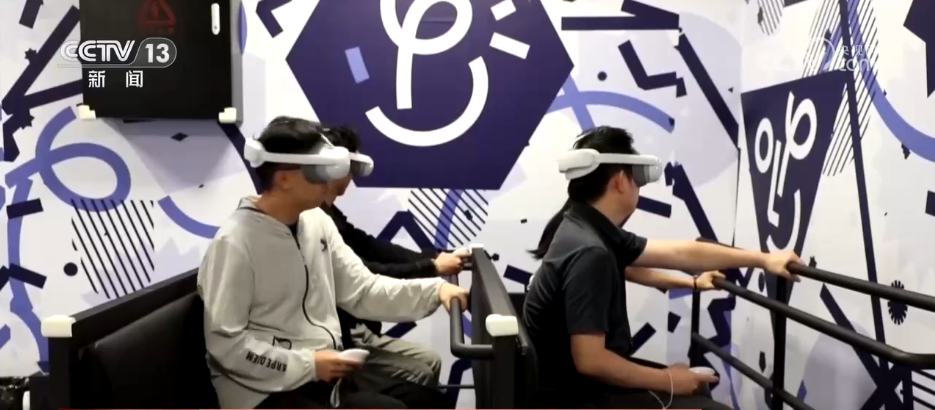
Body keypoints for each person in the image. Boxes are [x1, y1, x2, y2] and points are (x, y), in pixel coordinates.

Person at [523, 126, 803, 410]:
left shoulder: (584, 227)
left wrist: (762, 259)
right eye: (638, 177)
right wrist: (668, 380)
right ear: (620, 180)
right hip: (575, 395)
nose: (639, 187)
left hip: (573, 384)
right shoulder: (590, 251)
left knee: (697, 387)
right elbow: (591, 361)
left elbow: (681, 253)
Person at [198, 116, 469, 409]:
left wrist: (434, 290)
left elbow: (363, 291)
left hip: (322, 376)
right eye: (317, 171)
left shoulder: (317, 222)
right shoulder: (235, 243)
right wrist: (308, 364)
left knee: (431, 403)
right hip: (263, 393)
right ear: (283, 178)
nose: (327, 180)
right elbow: (227, 345)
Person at [317, 125, 467, 390]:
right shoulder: (313, 220)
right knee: (420, 373)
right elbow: (366, 275)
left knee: (429, 363)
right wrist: (432, 269)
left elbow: (371, 247)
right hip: (336, 338)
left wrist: (433, 259)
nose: (351, 175)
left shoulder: (328, 217)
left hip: (353, 326)